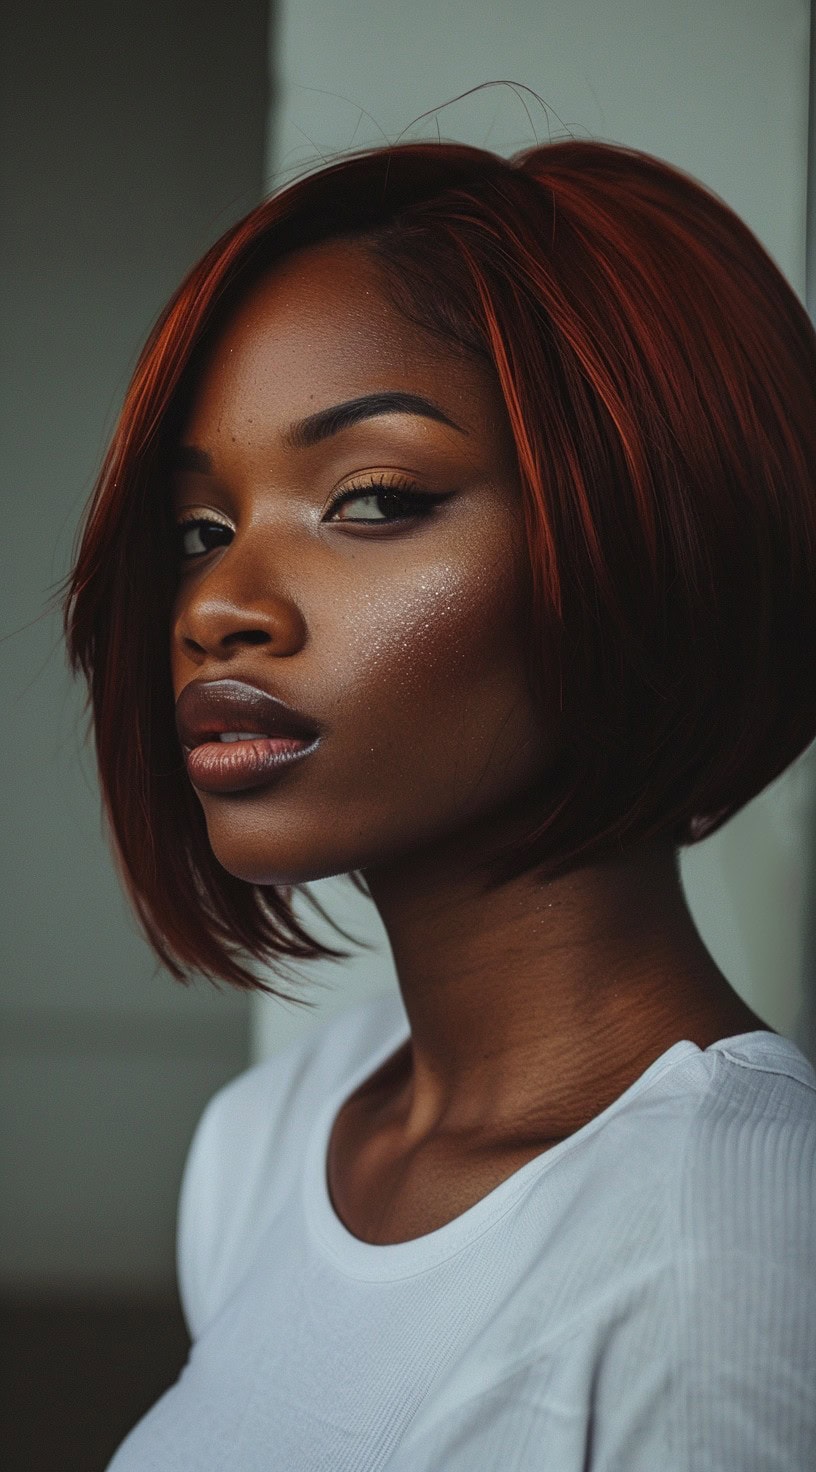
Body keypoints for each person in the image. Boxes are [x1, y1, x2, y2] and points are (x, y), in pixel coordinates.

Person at [60, 136, 816, 1469]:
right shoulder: (274, 1141)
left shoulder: (728, 1247)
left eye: (374, 499)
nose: (219, 605)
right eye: (199, 529)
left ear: (651, 539)